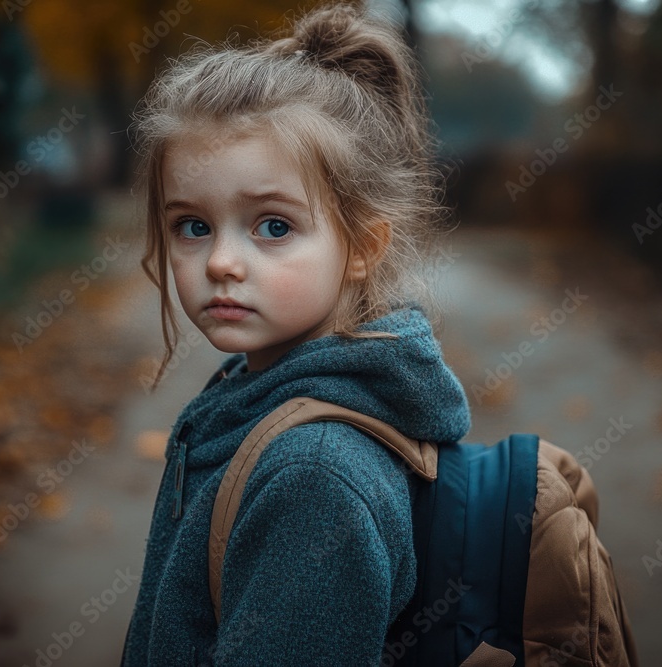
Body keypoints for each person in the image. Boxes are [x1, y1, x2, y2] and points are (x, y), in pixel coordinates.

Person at [120, 2, 473, 664]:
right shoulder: (253, 392)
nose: (221, 261)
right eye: (192, 225)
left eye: (273, 226)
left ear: (364, 246)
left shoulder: (312, 479)